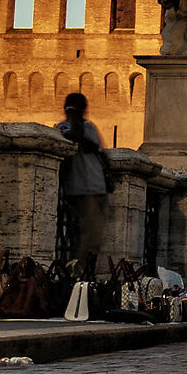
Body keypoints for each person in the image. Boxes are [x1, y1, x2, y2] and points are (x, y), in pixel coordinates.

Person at [56, 92, 110, 272]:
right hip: (79, 190)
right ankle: (77, 271)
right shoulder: (62, 128)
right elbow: (75, 137)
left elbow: (98, 149)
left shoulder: (90, 127)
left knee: (96, 236)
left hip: (97, 187)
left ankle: (85, 270)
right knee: (84, 235)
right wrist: (73, 118)